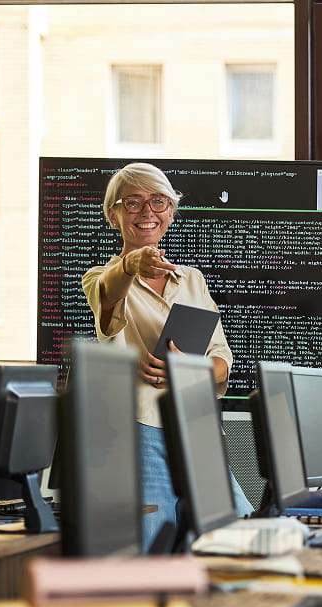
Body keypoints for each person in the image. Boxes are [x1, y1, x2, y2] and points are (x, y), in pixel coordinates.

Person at [82, 162, 254, 551]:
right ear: (114, 215)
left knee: (237, 536)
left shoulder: (191, 279)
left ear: (171, 213)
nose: (147, 212)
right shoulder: (99, 277)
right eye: (133, 202)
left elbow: (221, 359)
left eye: (158, 201)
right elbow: (109, 300)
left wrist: (190, 370)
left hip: (198, 428)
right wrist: (131, 264)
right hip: (142, 428)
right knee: (152, 545)